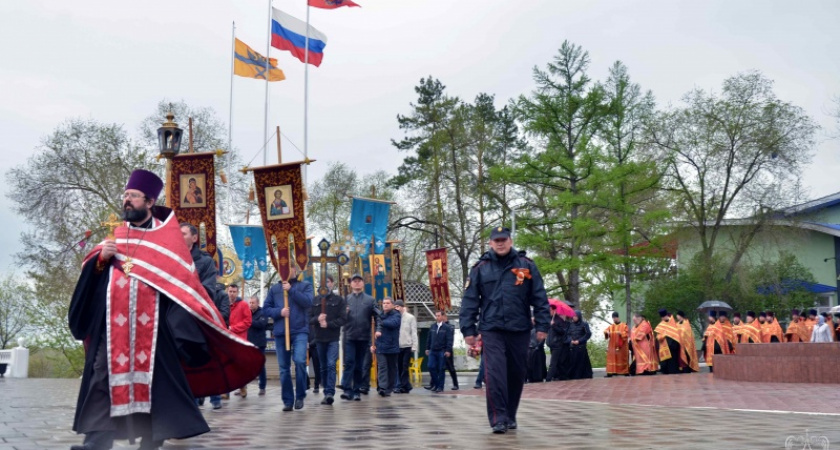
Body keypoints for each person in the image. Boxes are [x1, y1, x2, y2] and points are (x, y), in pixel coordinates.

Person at [68, 169, 262, 450]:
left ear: (148, 202)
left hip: (154, 330)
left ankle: (152, 440)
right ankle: (96, 442)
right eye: (125, 196)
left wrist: (181, 329)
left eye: (133, 196)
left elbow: (185, 287)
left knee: (156, 385)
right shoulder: (114, 241)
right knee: (101, 377)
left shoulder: (166, 243)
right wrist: (100, 260)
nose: (127, 201)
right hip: (112, 330)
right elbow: (92, 284)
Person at [460, 227, 550, 434]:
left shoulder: (526, 265)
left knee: (517, 374)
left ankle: (510, 415)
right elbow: (470, 301)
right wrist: (468, 330)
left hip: (520, 328)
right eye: (496, 240)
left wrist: (543, 326)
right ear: (490, 243)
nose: (500, 243)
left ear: (510, 241)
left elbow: (539, 297)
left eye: (504, 240)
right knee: (495, 373)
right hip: (492, 329)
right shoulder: (480, 268)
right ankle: (498, 417)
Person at [181, 222, 229, 410]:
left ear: (194, 238)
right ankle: (184, 405)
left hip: (196, 318)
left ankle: (208, 399)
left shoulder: (205, 261)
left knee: (199, 359)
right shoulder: (169, 257)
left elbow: (209, 290)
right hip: (172, 319)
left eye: (183, 233)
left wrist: (185, 292)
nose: (179, 236)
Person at [263, 266, 313, 411]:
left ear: (295, 270)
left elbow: (308, 302)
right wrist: (280, 312)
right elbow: (266, 308)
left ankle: (300, 395)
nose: (285, 271)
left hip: (299, 331)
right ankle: (288, 400)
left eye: (289, 267)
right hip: (280, 332)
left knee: (299, 361)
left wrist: (291, 290)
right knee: (284, 368)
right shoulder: (274, 289)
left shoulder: (305, 286)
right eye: (282, 268)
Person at [340, 274, 379, 402]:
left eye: (359, 281)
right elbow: (338, 319)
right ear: (351, 284)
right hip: (349, 336)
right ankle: (347, 389)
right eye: (354, 281)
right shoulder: (345, 299)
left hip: (363, 336)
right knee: (349, 362)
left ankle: (356, 391)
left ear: (363, 284)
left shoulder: (370, 300)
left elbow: (378, 316)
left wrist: (378, 330)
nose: (356, 283)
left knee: (359, 365)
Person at [309, 275, 347, 405]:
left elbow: (343, 318)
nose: (325, 285)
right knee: (323, 366)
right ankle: (326, 391)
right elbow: (309, 318)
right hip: (319, 338)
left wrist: (329, 324)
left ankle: (330, 392)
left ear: (332, 284)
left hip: (332, 338)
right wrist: (317, 319)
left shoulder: (339, 300)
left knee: (331, 364)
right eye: (323, 282)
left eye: (328, 282)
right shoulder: (315, 300)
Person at [373, 297, 401, 396]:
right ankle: (382, 388)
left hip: (392, 346)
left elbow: (393, 324)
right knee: (382, 367)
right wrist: (373, 344)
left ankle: (389, 388)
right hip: (380, 346)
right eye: (384, 303)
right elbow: (374, 330)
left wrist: (381, 321)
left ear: (392, 305)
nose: (385, 305)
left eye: (388, 303)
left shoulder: (396, 315)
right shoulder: (380, 315)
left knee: (392, 368)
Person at [227, 284, 252, 398]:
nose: (232, 293)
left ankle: (242, 386)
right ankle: (225, 391)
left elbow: (247, 321)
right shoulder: (224, 305)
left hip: (240, 339)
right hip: (227, 339)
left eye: (234, 291)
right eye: (230, 291)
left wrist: (233, 328)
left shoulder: (243, 305)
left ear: (237, 292)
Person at [426, 310, 453, 393]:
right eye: (436, 316)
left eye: (438, 316)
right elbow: (429, 338)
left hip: (442, 350)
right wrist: (427, 348)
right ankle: (436, 384)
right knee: (430, 366)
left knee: (441, 369)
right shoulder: (432, 326)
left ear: (442, 316)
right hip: (433, 350)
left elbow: (449, 339)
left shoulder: (446, 328)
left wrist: (448, 350)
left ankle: (440, 387)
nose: (437, 317)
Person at [247, 295, 270, 396]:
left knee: (260, 366)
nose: (251, 305)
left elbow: (261, 324)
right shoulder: (247, 313)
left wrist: (249, 321)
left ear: (257, 303)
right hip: (248, 343)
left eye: (253, 303)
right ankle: (243, 386)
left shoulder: (263, 312)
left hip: (259, 343)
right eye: (250, 303)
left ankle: (262, 387)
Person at [394, 300, 417, 394]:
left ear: (402, 307)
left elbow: (414, 332)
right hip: (397, 346)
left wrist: (414, 346)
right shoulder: (395, 317)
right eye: (395, 307)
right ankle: (406, 386)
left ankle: (403, 386)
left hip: (407, 345)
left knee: (404, 366)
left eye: (398, 307)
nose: (396, 309)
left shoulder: (410, 317)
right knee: (399, 367)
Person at [654, 309, 682, 375]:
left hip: (673, 345)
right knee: (664, 363)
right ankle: (665, 371)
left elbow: (676, 333)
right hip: (664, 345)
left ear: (666, 315)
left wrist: (665, 334)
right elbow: (658, 335)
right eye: (662, 317)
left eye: (664, 317)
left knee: (673, 361)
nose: (663, 318)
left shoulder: (673, 322)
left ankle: (673, 371)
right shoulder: (661, 324)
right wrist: (663, 335)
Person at [566, 311, 593, 379]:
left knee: (582, 363)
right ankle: (573, 376)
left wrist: (579, 341)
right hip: (572, 347)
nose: (574, 318)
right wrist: (571, 340)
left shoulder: (584, 324)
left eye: (575, 316)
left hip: (581, 347)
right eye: (573, 316)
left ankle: (584, 376)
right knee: (573, 363)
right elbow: (567, 334)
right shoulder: (570, 325)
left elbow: (588, 334)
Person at [546, 306, 570, 381]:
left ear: (554, 310)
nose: (549, 311)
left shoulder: (559, 320)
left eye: (550, 310)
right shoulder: (549, 319)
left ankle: (548, 378)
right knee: (558, 362)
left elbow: (562, 332)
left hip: (557, 344)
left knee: (553, 362)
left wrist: (554, 325)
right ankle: (564, 376)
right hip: (551, 344)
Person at [603, 312, 629, 377]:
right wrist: (607, 332)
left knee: (621, 359)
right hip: (612, 346)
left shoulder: (624, 326)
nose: (614, 319)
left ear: (618, 317)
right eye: (613, 318)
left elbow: (626, 334)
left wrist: (621, 333)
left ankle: (625, 372)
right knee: (611, 359)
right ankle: (611, 372)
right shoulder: (611, 327)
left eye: (615, 318)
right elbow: (605, 331)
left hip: (621, 347)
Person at [443, 315, 460, 390]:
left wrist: (448, 350)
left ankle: (455, 384)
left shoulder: (450, 327)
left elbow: (450, 339)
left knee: (450, 368)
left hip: (447, 349)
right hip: (440, 349)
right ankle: (434, 384)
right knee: (437, 367)